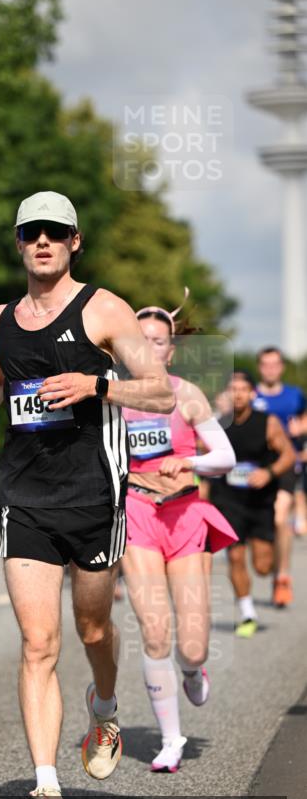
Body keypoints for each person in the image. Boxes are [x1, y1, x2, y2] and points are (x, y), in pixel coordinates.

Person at [0, 191, 175, 799]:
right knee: (38, 644)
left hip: (94, 497)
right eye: (32, 232)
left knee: (91, 630)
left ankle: (105, 707)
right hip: (25, 497)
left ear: (75, 241)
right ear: (19, 240)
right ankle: (47, 790)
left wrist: (97, 383)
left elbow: (161, 393)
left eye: (56, 233)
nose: (43, 242)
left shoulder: (103, 309)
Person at [120, 296, 238, 773]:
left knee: (192, 645)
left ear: (170, 351)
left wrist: (187, 461)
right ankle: (170, 740)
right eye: (140, 342)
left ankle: (192, 669)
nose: (149, 350)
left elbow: (225, 457)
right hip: (138, 512)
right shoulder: (115, 397)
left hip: (185, 514)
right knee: (154, 630)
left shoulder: (187, 395)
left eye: (158, 343)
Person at [208, 372, 295, 637]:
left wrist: (268, 473)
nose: (238, 394)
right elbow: (200, 452)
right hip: (228, 500)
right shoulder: (217, 424)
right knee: (235, 555)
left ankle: (277, 573)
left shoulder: (267, 423)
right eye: (233, 389)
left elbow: (289, 455)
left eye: (243, 389)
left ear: (252, 394)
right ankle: (247, 614)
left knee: (261, 566)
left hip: (260, 502)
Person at [253, 347, 307, 607]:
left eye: (275, 364)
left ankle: (283, 576)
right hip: (256, 470)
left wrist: (302, 429)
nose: (271, 369)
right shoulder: (251, 395)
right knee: (259, 525)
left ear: (282, 367)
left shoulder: (295, 395)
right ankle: (269, 565)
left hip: (287, 464)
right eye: (266, 364)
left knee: (279, 516)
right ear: (259, 367)